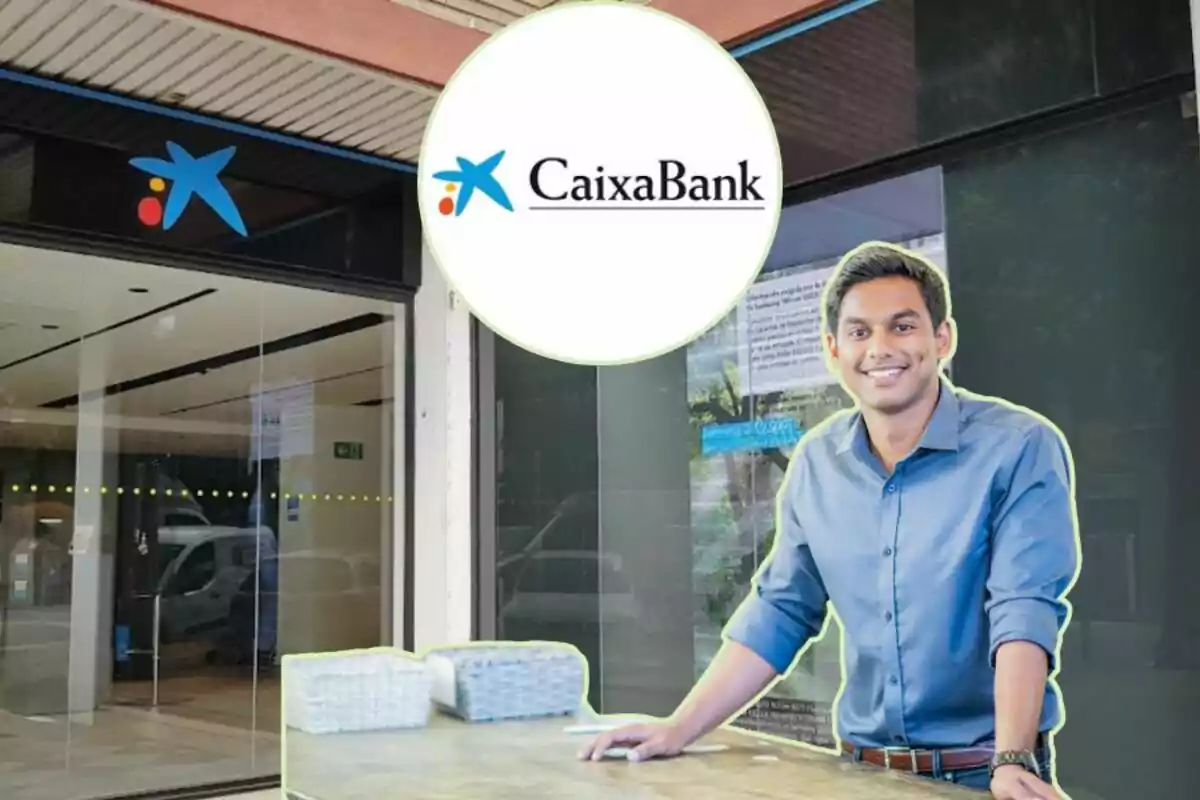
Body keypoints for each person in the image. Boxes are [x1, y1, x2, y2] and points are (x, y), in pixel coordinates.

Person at [578, 242, 1080, 800]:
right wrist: (679, 728)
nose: (881, 348)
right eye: (860, 332)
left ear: (942, 338)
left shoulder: (1018, 447)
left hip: (983, 774)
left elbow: (1023, 609)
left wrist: (1012, 759)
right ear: (833, 350)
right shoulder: (818, 460)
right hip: (861, 773)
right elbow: (781, 609)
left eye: (903, 326)